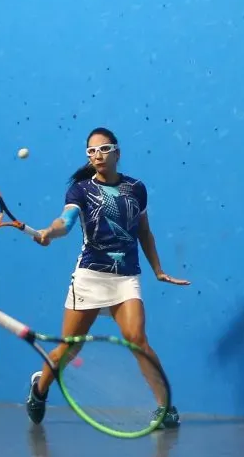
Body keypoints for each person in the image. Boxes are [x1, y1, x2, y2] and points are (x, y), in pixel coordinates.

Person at [25, 127, 189, 428]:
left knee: (137, 340)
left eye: (103, 149)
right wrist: (51, 231)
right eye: (90, 151)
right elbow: (66, 220)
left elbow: (144, 231)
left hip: (126, 276)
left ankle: (165, 407)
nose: (96, 155)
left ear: (117, 152)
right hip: (90, 276)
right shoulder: (80, 190)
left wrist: (158, 270)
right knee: (70, 347)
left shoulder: (136, 188)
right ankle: (39, 389)